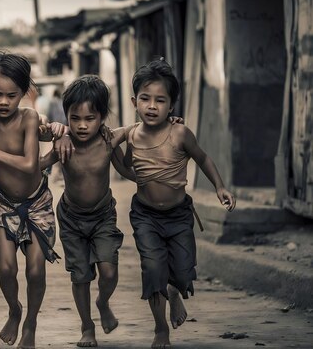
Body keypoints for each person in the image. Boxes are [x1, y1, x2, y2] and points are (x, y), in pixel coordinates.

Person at [123, 58, 236, 349]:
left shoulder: (180, 133)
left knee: (184, 273)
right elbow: (126, 169)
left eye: (160, 100)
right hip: (145, 215)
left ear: (172, 106)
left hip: (179, 215)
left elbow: (203, 158)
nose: (152, 106)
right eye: (145, 99)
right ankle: (161, 329)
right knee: (153, 268)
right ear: (135, 101)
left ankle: (175, 292)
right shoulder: (132, 136)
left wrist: (220, 187)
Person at [0, 51, 60, 349]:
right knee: (5, 269)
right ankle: (15, 310)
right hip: (3, 204)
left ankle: (30, 323)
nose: (3, 102)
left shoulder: (29, 118)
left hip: (37, 203)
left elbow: (30, 164)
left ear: (25, 93)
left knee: (35, 270)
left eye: (12, 95)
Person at [39, 75, 135, 347]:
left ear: (103, 117)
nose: (82, 125)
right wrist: (57, 135)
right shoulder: (64, 145)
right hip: (71, 219)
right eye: (75, 118)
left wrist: (170, 124)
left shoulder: (108, 141)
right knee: (80, 275)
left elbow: (135, 129)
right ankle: (87, 326)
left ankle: (103, 302)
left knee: (108, 272)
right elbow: (38, 163)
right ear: (67, 115)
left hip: (103, 215)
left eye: (90, 118)